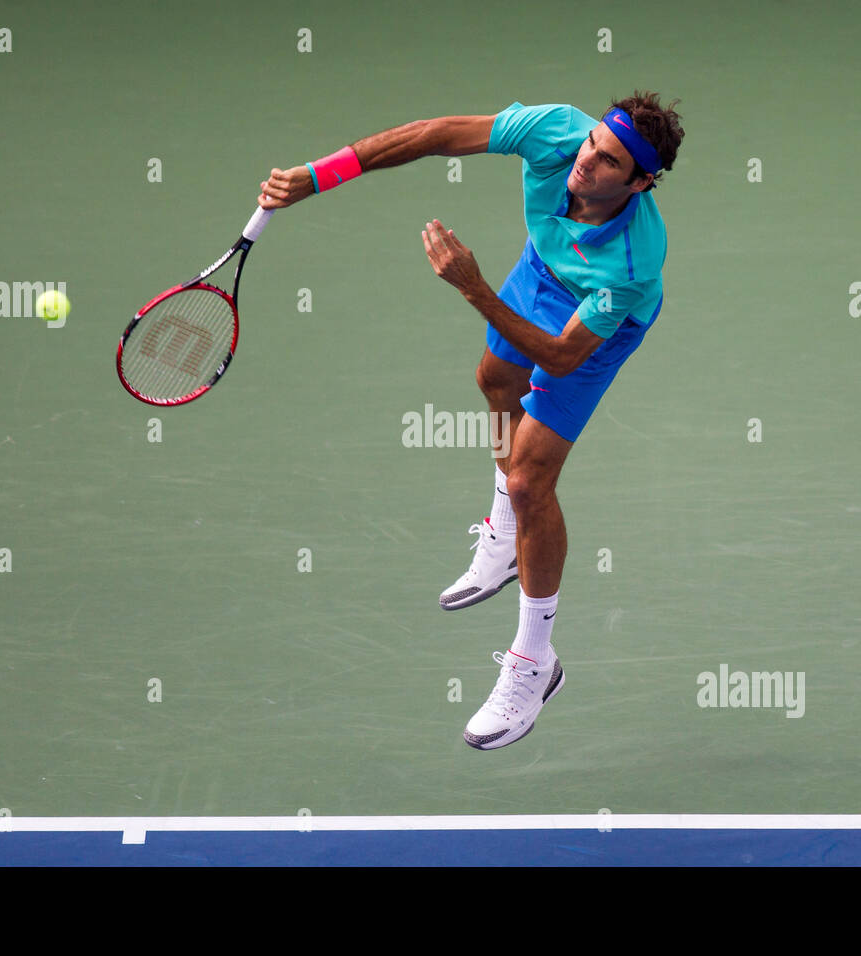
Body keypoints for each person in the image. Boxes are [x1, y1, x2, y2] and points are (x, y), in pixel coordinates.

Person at [259, 92, 684, 750]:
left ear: (640, 182)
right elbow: (434, 133)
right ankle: (503, 524)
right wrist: (320, 175)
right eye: (592, 143)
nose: (585, 161)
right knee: (494, 382)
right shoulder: (554, 133)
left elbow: (562, 358)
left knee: (531, 481)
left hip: (592, 332)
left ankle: (533, 661)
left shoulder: (631, 263)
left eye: (608, 162)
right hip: (542, 271)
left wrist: (472, 286)